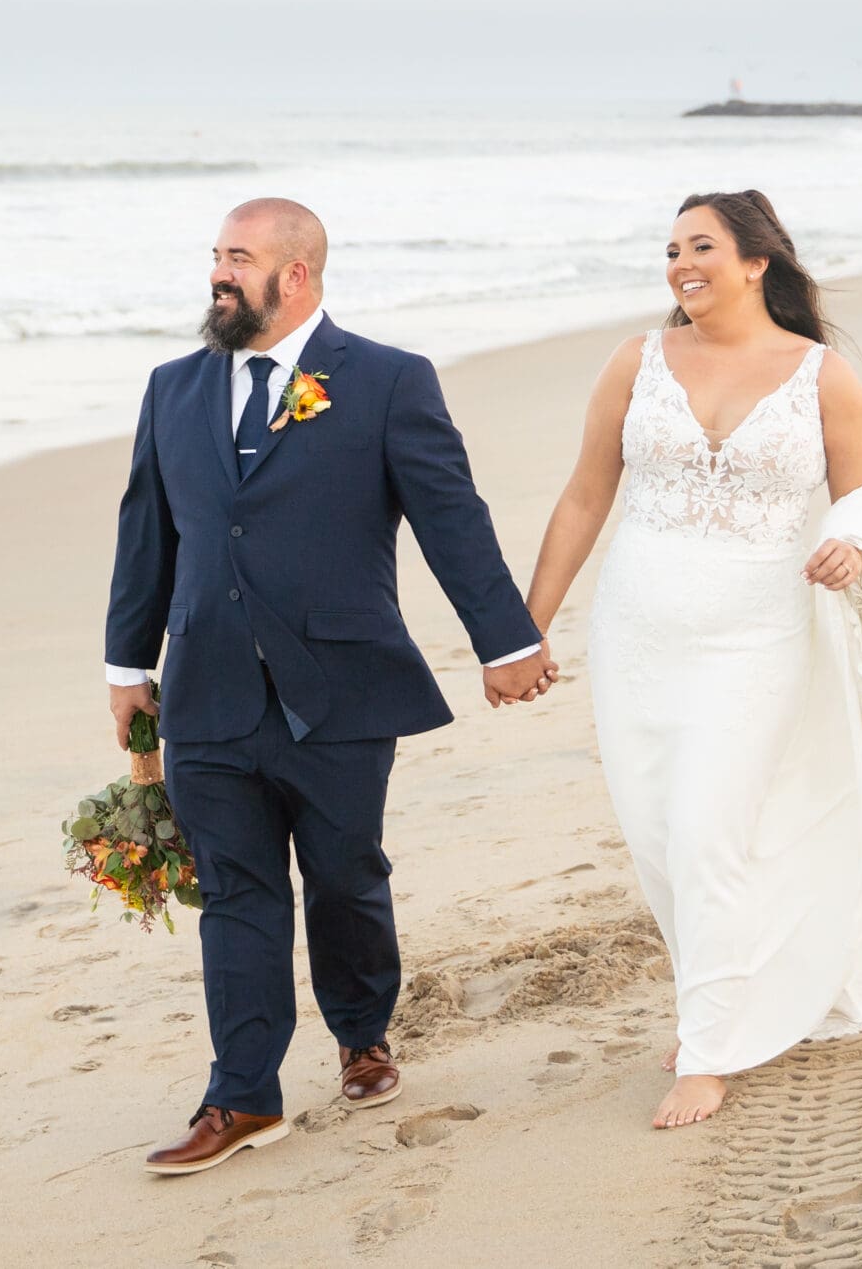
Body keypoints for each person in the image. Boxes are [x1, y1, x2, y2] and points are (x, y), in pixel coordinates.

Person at [103, 197, 556, 1175]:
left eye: (238, 257)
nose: (218, 273)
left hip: (340, 689)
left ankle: (361, 1034)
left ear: (295, 275)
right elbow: (148, 531)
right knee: (235, 892)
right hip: (208, 691)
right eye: (215, 256)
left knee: (346, 879)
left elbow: (451, 518)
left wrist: (505, 640)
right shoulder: (171, 388)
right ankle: (242, 1097)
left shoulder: (387, 382)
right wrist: (126, 666)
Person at [522, 189, 862, 1129]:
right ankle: (722, 1005)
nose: (681, 263)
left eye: (702, 246)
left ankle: (711, 1051)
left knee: (707, 830)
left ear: (756, 262)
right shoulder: (634, 362)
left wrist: (852, 550)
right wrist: (524, 627)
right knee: (659, 838)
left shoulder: (822, 378)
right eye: (670, 248)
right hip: (639, 637)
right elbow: (583, 498)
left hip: (759, 635)